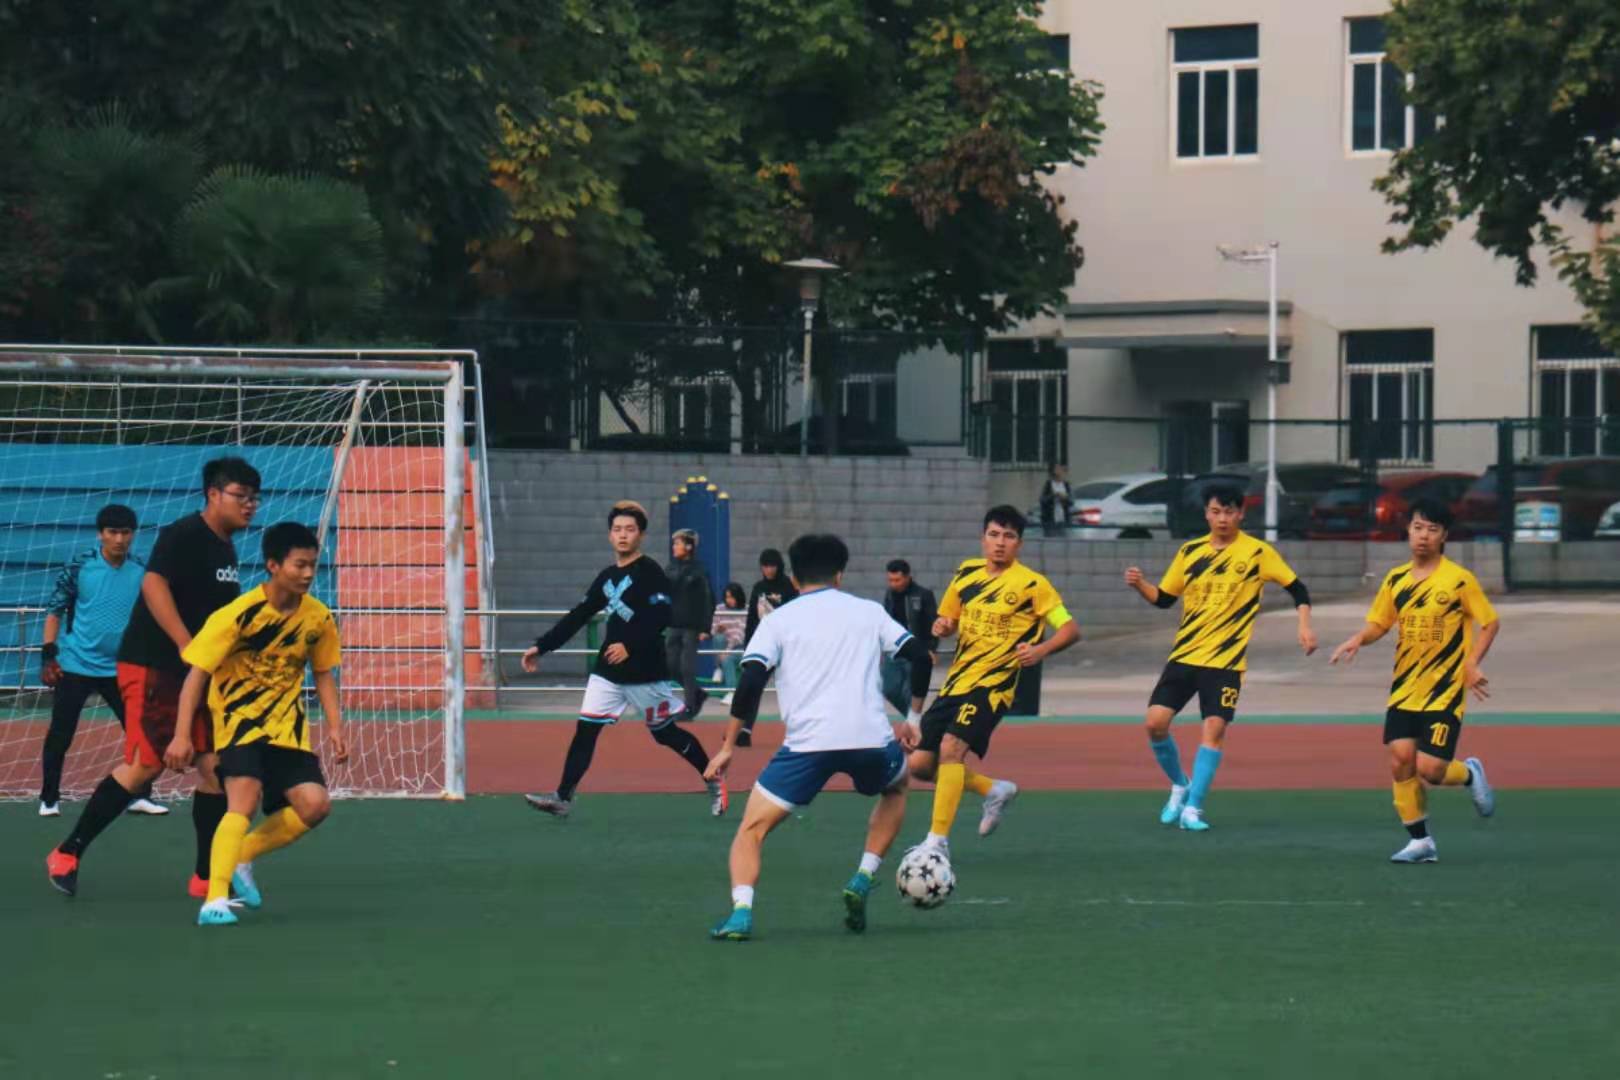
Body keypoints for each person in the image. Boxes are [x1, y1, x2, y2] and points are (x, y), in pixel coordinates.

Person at [46, 457, 258, 899]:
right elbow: (153, 585)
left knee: (214, 769)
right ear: (213, 494)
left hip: (195, 674)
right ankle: (67, 852)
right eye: (241, 496)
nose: (250, 505)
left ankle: (205, 877)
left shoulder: (226, 548)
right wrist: (184, 642)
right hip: (152, 666)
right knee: (147, 765)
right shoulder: (185, 534)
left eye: (255, 498)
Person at [704, 533, 933, 941]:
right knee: (897, 786)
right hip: (870, 740)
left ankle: (741, 912)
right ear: (840, 575)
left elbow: (751, 680)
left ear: (794, 579)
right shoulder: (869, 612)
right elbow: (919, 656)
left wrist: (727, 747)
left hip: (807, 747)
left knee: (751, 830)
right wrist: (913, 718)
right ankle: (864, 876)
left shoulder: (777, 621)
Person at [165, 522, 349, 926]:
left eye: (312, 565)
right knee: (243, 802)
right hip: (239, 724)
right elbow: (196, 675)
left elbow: (323, 674)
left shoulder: (318, 618)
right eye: (299, 565)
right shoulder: (236, 615)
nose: (307, 573)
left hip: (288, 730)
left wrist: (335, 727)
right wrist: (181, 734)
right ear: (273, 565)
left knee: (315, 805)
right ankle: (214, 900)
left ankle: (243, 854)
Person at [1124, 483, 1318, 832]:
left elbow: (1298, 589)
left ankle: (1193, 809)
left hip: (1226, 662)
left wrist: (1304, 626)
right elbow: (1164, 598)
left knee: (1213, 729)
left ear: (1241, 514)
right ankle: (1180, 785)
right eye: (1216, 512)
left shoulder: (1257, 553)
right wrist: (1140, 585)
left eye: (1229, 512)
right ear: (1206, 514)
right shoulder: (1190, 551)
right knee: (1154, 724)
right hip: (1185, 655)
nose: (1223, 519)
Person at [521, 502, 725, 819]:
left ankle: (713, 778)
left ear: (641, 535)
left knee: (665, 734)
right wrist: (542, 646)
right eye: (617, 529)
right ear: (609, 535)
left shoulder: (651, 572)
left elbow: (662, 615)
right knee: (586, 730)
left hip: (645, 672)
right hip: (608, 672)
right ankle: (562, 797)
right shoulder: (607, 577)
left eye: (630, 529)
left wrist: (630, 644)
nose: (623, 535)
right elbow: (579, 615)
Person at [1329, 498, 1498, 863]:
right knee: (1400, 760)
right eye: (1418, 528)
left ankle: (1469, 774)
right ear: (1408, 531)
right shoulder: (1396, 580)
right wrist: (1358, 638)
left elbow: (1490, 622)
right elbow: (1380, 623)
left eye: (1432, 530)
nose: (1423, 536)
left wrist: (1472, 663)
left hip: (1444, 692)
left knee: (1431, 770)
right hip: (1405, 689)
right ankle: (1420, 842)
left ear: (1444, 536)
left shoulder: (1459, 580)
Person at [908, 506, 1080, 857]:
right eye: (994, 534)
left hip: (992, 688)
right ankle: (993, 790)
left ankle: (936, 842)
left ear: (1019, 543)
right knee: (920, 767)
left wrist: (1042, 649)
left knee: (951, 749)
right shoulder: (966, 573)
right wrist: (943, 626)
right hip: (956, 683)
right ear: (983, 538)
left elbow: (1070, 628)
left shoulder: (1033, 585)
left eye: (1009, 536)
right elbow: (948, 619)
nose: (1000, 543)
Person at [37, 504, 166, 817]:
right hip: (75, 665)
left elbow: (153, 615)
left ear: (133, 535)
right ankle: (49, 799)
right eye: (113, 532)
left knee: (140, 732)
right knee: (60, 734)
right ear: (100, 534)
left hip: (122, 668)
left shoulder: (142, 571)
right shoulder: (79, 567)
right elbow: (55, 610)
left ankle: (139, 796)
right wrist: (48, 653)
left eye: (126, 533)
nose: (119, 539)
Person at [739, 549, 798, 746]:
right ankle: (745, 730)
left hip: (785, 645)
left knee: (791, 688)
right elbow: (751, 618)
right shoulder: (758, 587)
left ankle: (797, 731)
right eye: (765, 566)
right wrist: (748, 646)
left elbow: (795, 615)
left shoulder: (788, 587)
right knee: (753, 686)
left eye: (772, 566)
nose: (768, 570)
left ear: (779, 566)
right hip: (762, 645)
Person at [665, 528, 714, 721]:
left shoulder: (699, 570)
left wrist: (705, 628)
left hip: (691, 627)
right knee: (670, 666)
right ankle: (697, 693)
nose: (674, 547)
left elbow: (708, 600)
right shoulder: (670, 568)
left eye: (678, 543)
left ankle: (690, 707)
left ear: (689, 546)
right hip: (673, 624)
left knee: (687, 668)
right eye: (674, 543)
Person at [879, 559, 937, 716]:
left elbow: (933, 623)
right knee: (889, 689)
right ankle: (915, 719)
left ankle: (913, 721)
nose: (893, 584)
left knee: (911, 690)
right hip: (893, 649)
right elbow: (886, 620)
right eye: (890, 580)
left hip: (916, 650)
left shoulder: (923, 595)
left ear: (907, 577)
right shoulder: (889, 595)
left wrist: (931, 648)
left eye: (897, 580)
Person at [711, 583, 748, 705]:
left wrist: (727, 651)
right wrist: (718, 629)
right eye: (727, 597)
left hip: (739, 647)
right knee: (718, 637)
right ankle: (719, 668)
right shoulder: (720, 608)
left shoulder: (745, 610)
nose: (729, 600)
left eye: (732, 597)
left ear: (738, 597)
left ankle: (731, 693)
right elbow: (713, 629)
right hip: (723, 646)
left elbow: (739, 635)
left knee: (727, 658)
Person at [1038, 464, 1073, 537]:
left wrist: (1064, 498)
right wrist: (1053, 495)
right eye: (1058, 469)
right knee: (1050, 540)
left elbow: (1071, 501)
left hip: (1063, 519)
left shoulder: (1066, 485)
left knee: (1063, 540)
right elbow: (1042, 500)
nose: (1061, 471)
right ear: (1053, 471)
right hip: (1050, 520)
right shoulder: (1048, 485)